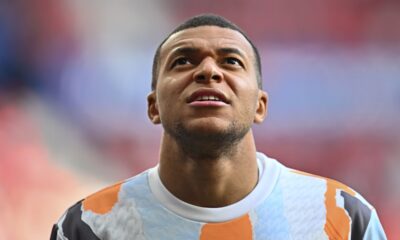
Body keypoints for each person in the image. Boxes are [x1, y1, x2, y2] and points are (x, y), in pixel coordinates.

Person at [50, 14, 387, 240]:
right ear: (153, 106)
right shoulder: (89, 226)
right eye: (183, 60)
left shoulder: (343, 217)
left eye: (231, 61)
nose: (209, 71)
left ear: (260, 105)